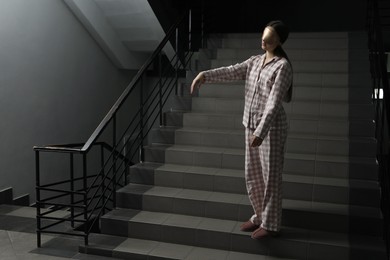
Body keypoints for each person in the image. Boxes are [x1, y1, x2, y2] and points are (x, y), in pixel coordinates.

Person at [190, 20, 293, 239]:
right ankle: (259, 216)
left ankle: (271, 224)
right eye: (263, 36)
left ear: (279, 41)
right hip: (250, 125)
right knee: (253, 175)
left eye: (270, 38)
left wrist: (261, 132)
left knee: (270, 177)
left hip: (271, 130)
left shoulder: (282, 66)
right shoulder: (255, 61)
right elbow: (231, 71)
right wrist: (205, 76)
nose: (264, 41)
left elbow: (274, 103)